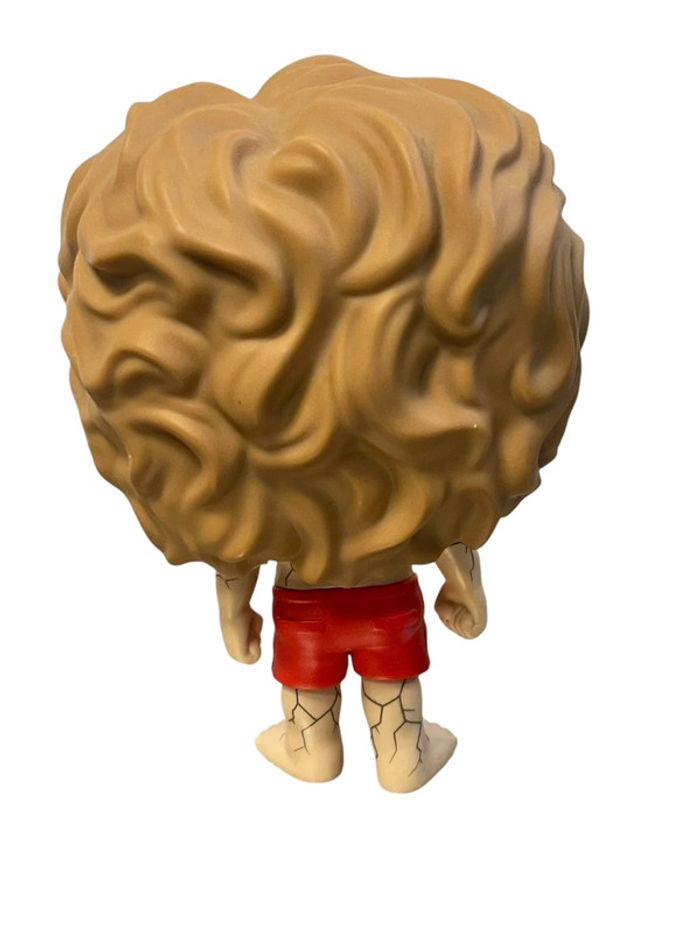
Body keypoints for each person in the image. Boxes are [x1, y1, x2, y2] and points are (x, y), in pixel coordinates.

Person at [59, 55, 587, 791]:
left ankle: (313, 747)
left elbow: (231, 545)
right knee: (394, 685)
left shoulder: (242, 493)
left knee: (306, 688)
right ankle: (401, 753)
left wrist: (232, 609)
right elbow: (455, 520)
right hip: (390, 595)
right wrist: (467, 583)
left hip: (301, 602)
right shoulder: (437, 473)